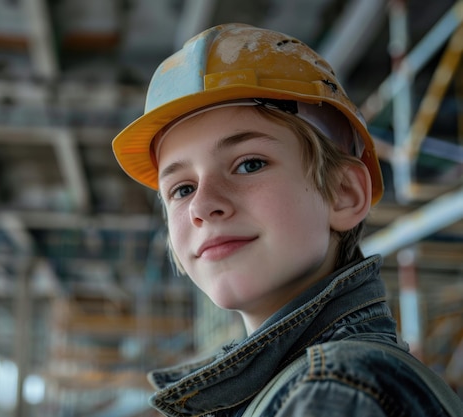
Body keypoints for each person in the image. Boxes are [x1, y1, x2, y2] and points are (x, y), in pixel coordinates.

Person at [112, 23, 463, 417]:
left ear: (344, 194)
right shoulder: (327, 382)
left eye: (249, 164)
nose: (202, 206)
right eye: (181, 189)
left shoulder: (332, 390)